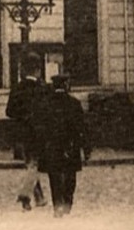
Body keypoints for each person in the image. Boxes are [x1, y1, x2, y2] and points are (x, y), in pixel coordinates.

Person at [30, 74, 89, 216]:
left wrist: (40, 147)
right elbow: (82, 127)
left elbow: (39, 128)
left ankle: (58, 206)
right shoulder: (74, 103)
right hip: (70, 145)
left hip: (52, 146)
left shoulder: (45, 104)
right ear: (65, 86)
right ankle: (68, 203)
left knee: (54, 177)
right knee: (70, 176)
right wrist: (86, 148)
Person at [5, 61, 48, 209]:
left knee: (30, 163)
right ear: (37, 70)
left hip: (22, 133)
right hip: (38, 132)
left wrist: (21, 117)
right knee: (34, 164)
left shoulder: (17, 88)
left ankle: (39, 197)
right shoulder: (42, 88)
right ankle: (24, 195)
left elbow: (9, 111)